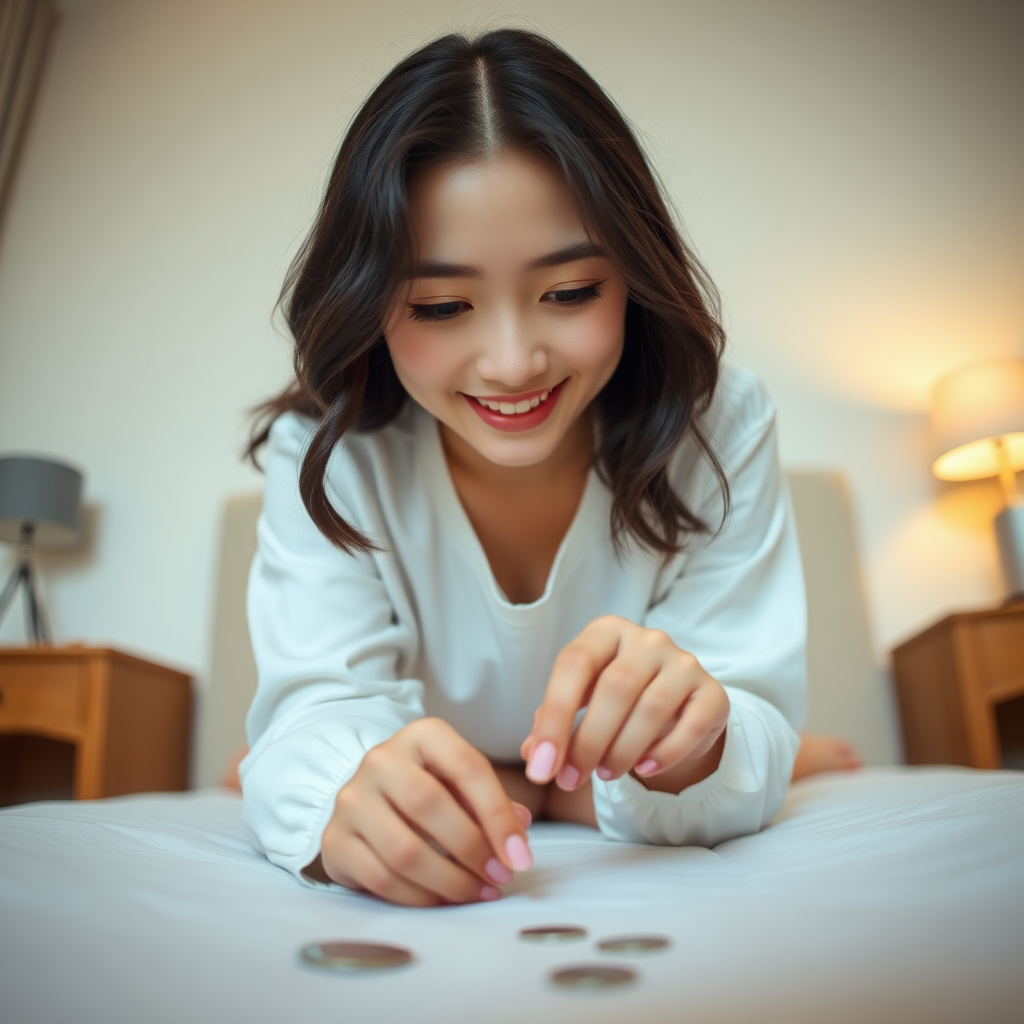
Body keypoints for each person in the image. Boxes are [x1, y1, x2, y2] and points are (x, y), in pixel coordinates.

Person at [239, 28, 860, 909]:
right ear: (369, 302)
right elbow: (313, 726)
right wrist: (339, 794)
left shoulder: (717, 422)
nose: (512, 362)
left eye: (569, 293)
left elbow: (742, 722)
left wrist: (706, 745)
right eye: (442, 305)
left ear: (634, 274)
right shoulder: (327, 447)